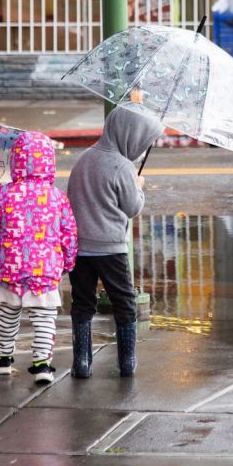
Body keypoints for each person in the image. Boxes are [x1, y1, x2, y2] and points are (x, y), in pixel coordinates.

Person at [0, 131, 77, 385]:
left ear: (15, 161)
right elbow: (69, 234)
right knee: (44, 317)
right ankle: (42, 364)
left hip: (11, 268)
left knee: (9, 314)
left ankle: (3, 358)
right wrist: (67, 262)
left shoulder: (5, 193)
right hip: (44, 269)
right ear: (49, 162)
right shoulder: (57, 197)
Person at [66, 105, 163, 378]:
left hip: (81, 248)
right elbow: (132, 208)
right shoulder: (123, 166)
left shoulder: (84, 158)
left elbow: (73, 196)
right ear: (129, 135)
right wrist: (139, 186)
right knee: (124, 302)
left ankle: (82, 363)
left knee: (82, 302)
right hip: (111, 250)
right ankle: (127, 361)